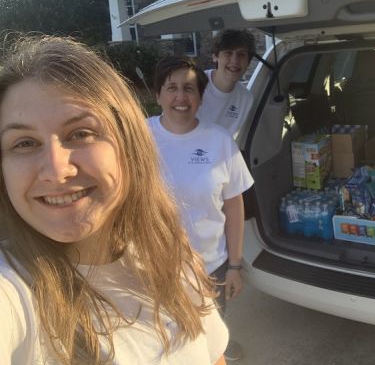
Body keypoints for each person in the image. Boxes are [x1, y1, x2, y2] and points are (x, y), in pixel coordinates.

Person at [0, 36, 228, 365]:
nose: (56, 170)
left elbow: (213, 356)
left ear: (127, 143)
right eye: (23, 143)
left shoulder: (169, 254)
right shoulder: (13, 292)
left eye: (80, 133)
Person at [148, 56, 254, 361]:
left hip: (209, 267)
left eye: (189, 89)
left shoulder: (220, 141)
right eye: (171, 88)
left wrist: (234, 266)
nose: (180, 97)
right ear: (158, 95)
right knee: (164, 348)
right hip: (153, 269)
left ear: (200, 97)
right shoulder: (140, 138)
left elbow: (234, 205)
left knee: (209, 345)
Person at [196, 28, 256, 139]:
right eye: (228, 52)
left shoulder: (246, 99)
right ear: (215, 56)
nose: (235, 60)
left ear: (248, 62)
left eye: (241, 54)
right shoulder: (194, 84)